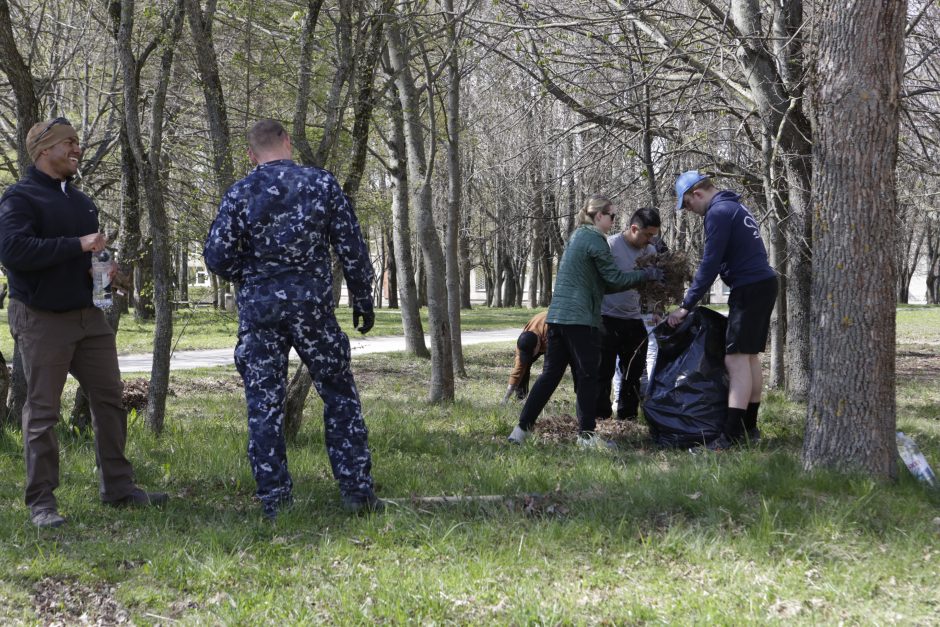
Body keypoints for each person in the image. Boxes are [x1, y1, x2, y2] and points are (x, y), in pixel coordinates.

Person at [203, 119, 381, 520]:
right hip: (312, 309)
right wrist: (363, 297)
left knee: (263, 404)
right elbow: (351, 245)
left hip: (260, 313)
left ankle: (275, 501)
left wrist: (250, 277)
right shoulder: (320, 184)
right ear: (287, 142)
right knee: (338, 393)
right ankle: (356, 490)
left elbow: (216, 256)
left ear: (251, 154)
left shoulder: (240, 193)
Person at [0, 117, 168, 529]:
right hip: (42, 318)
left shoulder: (81, 201)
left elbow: (89, 255)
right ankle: (42, 504)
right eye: (69, 143)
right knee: (42, 410)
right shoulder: (19, 198)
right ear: (44, 150)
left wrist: (106, 274)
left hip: (89, 317)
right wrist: (78, 244)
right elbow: (13, 250)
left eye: (77, 143)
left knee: (110, 399)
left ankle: (119, 488)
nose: (77, 149)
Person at [507, 195, 663, 449]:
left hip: (557, 317)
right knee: (589, 376)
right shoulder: (596, 240)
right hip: (580, 320)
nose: (614, 221)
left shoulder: (577, 236)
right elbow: (614, 279)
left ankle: (520, 431)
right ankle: (586, 436)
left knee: (549, 375)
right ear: (598, 216)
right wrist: (645, 274)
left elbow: (602, 284)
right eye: (612, 216)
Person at [666, 171, 778, 449]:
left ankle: (729, 436)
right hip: (762, 284)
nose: (690, 211)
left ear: (697, 193)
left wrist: (685, 306)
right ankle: (748, 429)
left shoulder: (718, 212)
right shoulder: (735, 206)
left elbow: (710, 263)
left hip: (750, 288)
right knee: (749, 358)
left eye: (688, 205)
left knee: (735, 360)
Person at [596, 207, 661, 421]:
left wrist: (655, 309)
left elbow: (650, 288)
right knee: (603, 371)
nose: (651, 241)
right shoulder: (610, 246)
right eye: (648, 235)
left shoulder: (650, 252)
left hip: (633, 319)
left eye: (653, 235)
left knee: (633, 372)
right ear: (634, 228)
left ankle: (627, 418)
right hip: (605, 317)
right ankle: (601, 418)